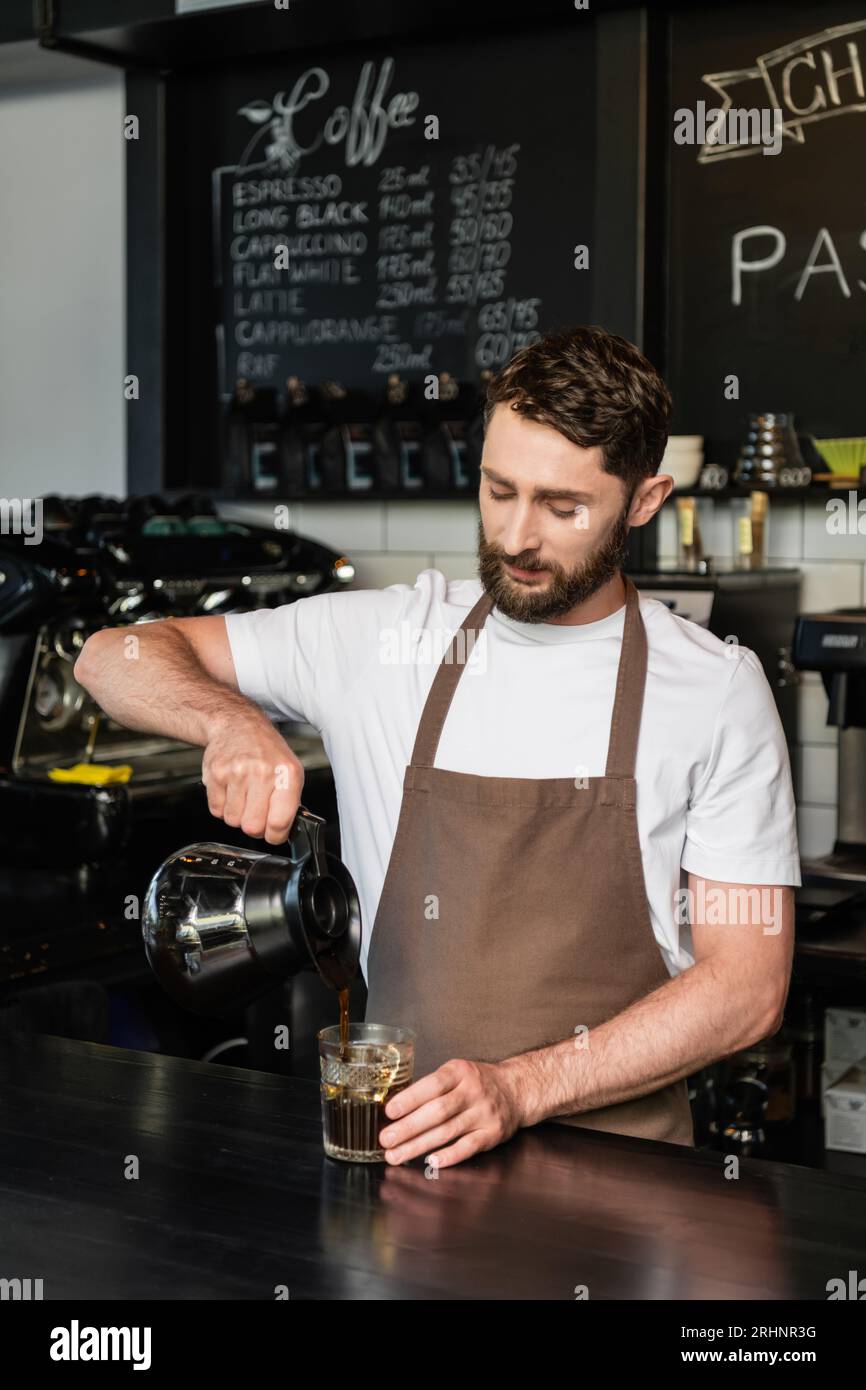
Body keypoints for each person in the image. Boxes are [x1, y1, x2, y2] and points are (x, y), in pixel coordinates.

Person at [74, 325, 799, 1169]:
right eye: (499, 491)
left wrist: (521, 1088)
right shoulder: (388, 638)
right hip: (407, 1169)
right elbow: (110, 655)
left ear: (644, 500)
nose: (518, 537)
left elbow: (747, 988)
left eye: (563, 508)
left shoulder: (714, 688)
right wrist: (227, 719)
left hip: (625, 1187)